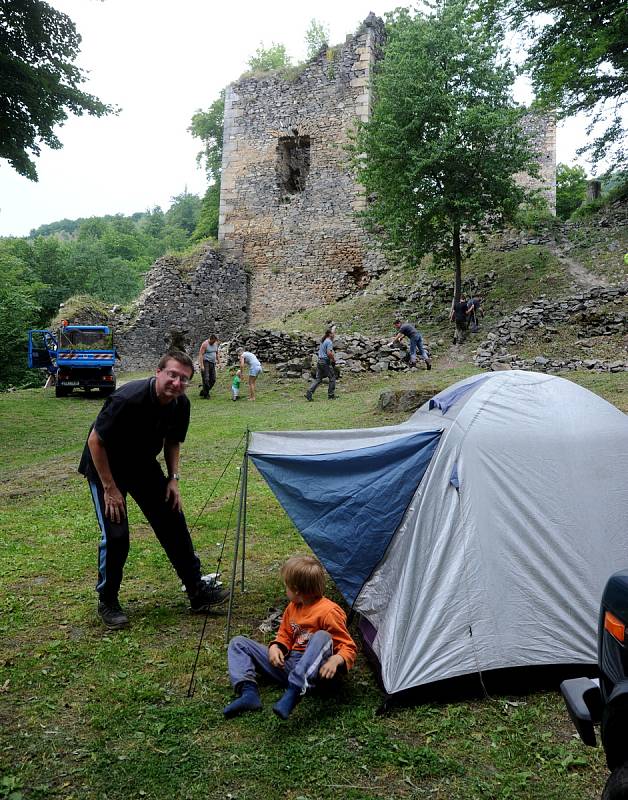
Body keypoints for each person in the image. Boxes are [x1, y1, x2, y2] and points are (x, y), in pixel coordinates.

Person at [78, 350, 230, 630]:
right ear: (158, 372)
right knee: (116, 535)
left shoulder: (180, 404)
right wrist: (110, 488)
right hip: (106, 467)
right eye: (172, 375)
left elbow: (173, 441)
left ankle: (196, 590)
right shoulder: (128, 398)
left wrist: (173, 478)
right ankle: (108, 600)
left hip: (142, 466)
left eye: (184, 379)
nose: (177, 382)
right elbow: (95, 442)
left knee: (172, 519)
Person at [222, 555, 357, 720]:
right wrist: (276, 647)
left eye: (286, 586)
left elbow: (348, 646)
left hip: (318, 673)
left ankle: (295, 690)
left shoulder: (329, 611)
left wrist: (336, 660)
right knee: (238, 643)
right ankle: (248, 693)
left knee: (322, 636)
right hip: (291, 665)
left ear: (296, 590)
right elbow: (284, 634)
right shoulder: (293, 607)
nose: (285, 590)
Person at [306, 329, 337, 401]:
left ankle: (309, 392)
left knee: (318, 379)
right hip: (325, 362)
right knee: (332, 377)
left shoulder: (323, 341)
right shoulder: (329, 342)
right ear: (330, 334)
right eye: (333, 333)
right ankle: (331, 395)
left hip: (320, 361)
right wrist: (333, 359)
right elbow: (329, 353)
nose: (334, 334)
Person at [198, 334, 221, 399]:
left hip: (212, 363)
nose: (215, 342)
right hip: (206, 362)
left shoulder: (215, 344)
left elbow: (217, 353)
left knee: (213, 379)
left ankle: (203, 391)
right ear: (211, 339)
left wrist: (219, 362)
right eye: (214, 341)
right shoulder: (205, 344)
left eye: (215, 341)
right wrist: (201, 365)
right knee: (206, 379)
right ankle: (206, 395)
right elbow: (201, 355)